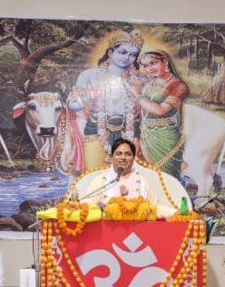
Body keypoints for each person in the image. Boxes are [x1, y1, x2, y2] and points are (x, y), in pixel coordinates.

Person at [67, 29, 146, 168]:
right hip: (96, 130)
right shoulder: (90, 75)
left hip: (131, 131)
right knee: (94, 175)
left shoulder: (140, 80)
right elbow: (72, 104)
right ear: (110, 52)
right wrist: (90, 95)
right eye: (122, 52)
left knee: (129, 177)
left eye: (133, 55)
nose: (127, 57)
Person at [132, 50, 190, 180]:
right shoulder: (151, 82)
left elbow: (160, 110)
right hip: (146, 135)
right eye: (146, 65)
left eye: (153, 63)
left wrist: (137, 95)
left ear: (165, 61)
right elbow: (144, 108)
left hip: (165, 137)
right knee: (148, 177)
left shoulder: (178, 85)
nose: (150, 68)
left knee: (167, 178)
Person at [85, 138, 153, 207]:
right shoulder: (100, 181)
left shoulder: (143, 182)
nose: (123, 157)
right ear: (112, 157)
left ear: (133, 158)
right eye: (119, 154)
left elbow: (155, 207)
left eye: (128, 154)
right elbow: (87, 206)